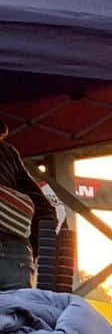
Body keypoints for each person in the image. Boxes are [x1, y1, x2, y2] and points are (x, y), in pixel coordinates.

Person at [0, 122, 55, 291]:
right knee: (16, 314)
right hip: (16, 253)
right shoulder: (8, 153)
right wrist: (27, 247)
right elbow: (46, 211)